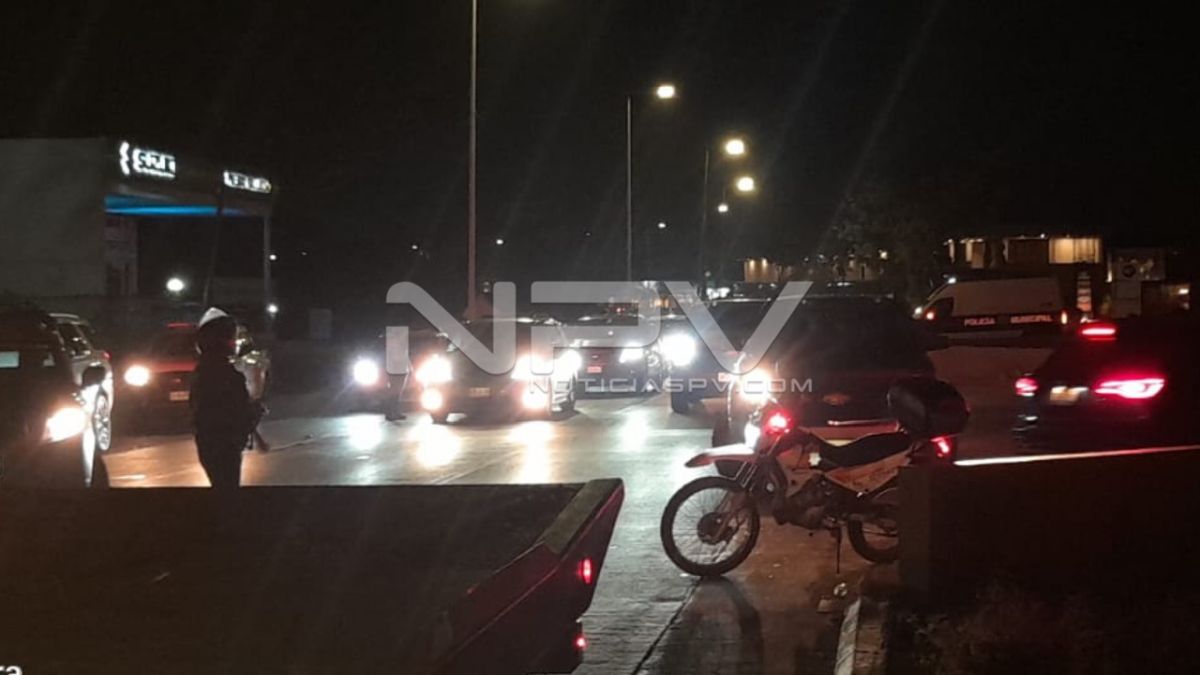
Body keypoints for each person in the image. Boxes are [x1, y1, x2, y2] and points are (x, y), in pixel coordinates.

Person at [190, 308, 258, 488]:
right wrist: (252, 413)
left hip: (211, 443)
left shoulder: (203, 371)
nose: (234, 342)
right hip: (224, 445)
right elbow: (234, 412)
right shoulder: (225, 375)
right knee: (227, 488)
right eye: (231, 337)